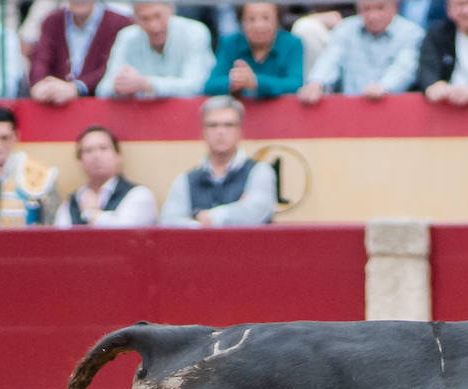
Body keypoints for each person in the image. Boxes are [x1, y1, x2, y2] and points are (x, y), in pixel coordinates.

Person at [160, 96, 277, 227]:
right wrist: (202, 225)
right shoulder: (186, 180)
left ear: (240, 131)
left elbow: (257, 211)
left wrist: (211, 217)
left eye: (229, 125)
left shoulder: (260, 171)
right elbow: (169, 222)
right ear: (202, 132)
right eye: (213, 125)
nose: (220, 132)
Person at [298, 0, 424, 102]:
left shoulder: (412, 33)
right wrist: (316, 83)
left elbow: (405, 68)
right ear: (358, 9)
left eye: (380, 8)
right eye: (366, 9)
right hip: (350, 109)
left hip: (393, 108)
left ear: (395, 7)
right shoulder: (346, 28)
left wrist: (384, 87)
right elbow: (330, 59)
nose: (373, 15)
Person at [97, 2, 214, 99]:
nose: (153, 26)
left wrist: (146, 84)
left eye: (158, 16)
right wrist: (121, 87)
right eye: (145, 18)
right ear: (135, 19)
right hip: (141, 116)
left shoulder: (194, 32)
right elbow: (103, 89)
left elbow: (196, 86)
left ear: (171, 11)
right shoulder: (127, 36)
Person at [28, 1, 133, 103]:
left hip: (98, 106)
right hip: (55, 105)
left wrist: (77, 88)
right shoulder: (52, 21)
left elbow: (112, 67)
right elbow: (40, 59)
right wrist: (40, 85)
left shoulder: (119, 23)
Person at [55, 125, 158, 227]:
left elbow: (125, 233)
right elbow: (60, 238)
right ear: (80, 160)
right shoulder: (72, 202)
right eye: (88, 150)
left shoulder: (139, 195)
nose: (96, 155)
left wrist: (91, 214)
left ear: (118, 156)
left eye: (103, 148)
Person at [204, 2, 304, 98]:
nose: (258, 25)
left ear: (277, 20)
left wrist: (256, 82)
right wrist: (235, 81)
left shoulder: (292, 43)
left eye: (266, 18)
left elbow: (296, 84)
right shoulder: (230, 43)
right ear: (241, 22)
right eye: (251, 19)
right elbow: (210, 85)